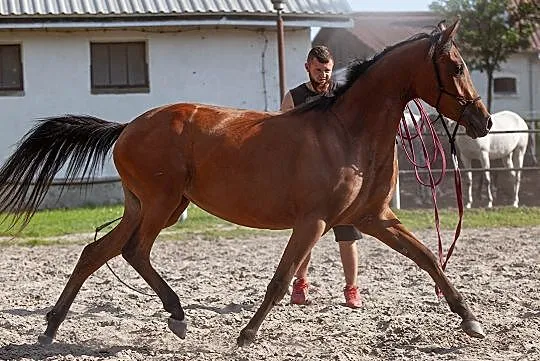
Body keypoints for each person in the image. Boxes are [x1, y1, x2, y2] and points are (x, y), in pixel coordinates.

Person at [280, 45, 363, 309]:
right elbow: (283, 139)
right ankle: (300, 284)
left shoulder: (343, 94)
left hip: (340, 182)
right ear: (308, 68)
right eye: (318, 70)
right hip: (308, 181)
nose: (323, 75)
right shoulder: (293, 97)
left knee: (348, 237)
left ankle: (352, 289)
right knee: (305, 236)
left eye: (327, 70)